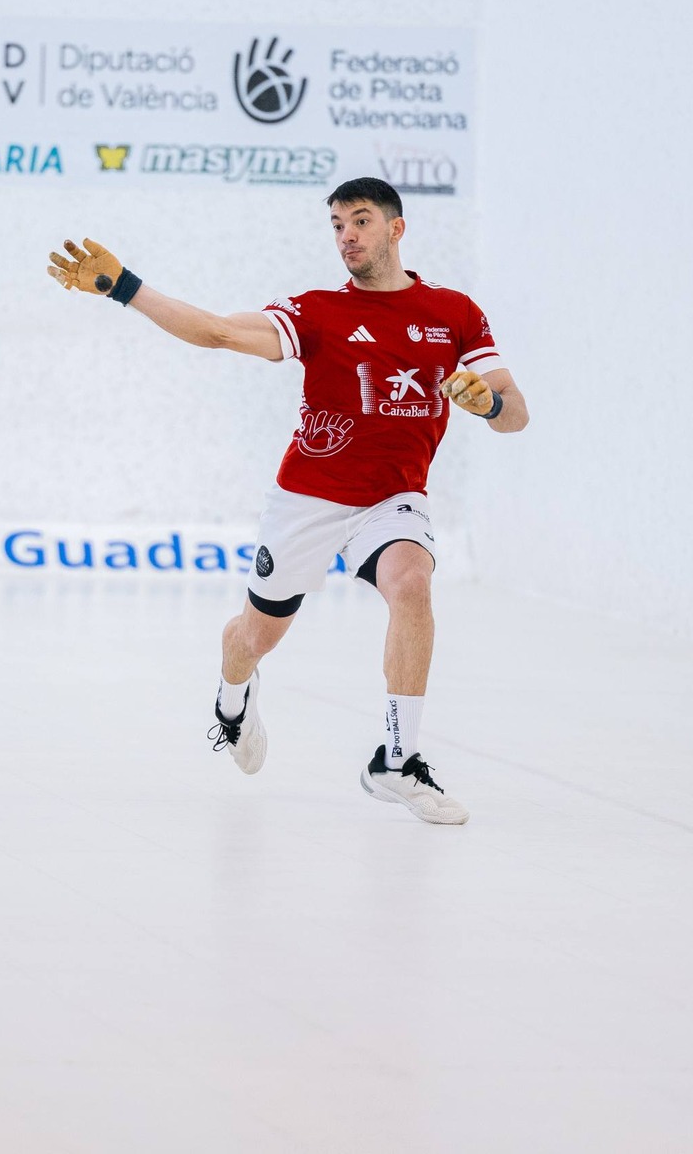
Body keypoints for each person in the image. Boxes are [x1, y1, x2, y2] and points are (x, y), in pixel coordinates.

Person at [46, 177, 528, 823]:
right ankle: (231, 701)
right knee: (254, 636)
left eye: (361, 220)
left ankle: (397, 759)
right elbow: (218, 332)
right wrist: (125, 286)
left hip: (393, 498)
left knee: (412, 585)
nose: (347, 236)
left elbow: (515, 415)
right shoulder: (316, 312)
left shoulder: (455, 313)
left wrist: (489, 403)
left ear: (396, 228)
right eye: (337, 225)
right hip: (306, 501)